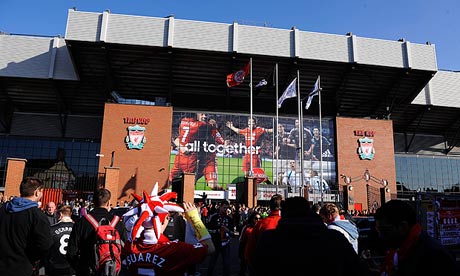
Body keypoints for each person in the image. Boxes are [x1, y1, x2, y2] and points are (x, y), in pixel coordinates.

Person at [254, 197, 370, 276]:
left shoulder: (269, 239)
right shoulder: (334, 237)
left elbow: (257, 268)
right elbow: (357, 269)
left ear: (283, 214)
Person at [122, 188, 215, 275]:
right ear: (164, 220)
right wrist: (195, 218)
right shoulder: (176, 249)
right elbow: (210, 248)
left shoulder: (129, 247)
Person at [374, 199, 458, 275]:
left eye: (385, 230)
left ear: (403, 227)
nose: (381, 236)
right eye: (378, 230)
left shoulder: (435, 256)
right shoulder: (404, 250)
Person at [67, 188, 127, 276]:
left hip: (87, 270)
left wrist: (80, 268)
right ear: (108, 202)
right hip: (112, 270)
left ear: (93, 202)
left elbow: (71, 252)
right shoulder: (118, 223)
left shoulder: (82, 222)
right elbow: (125, 249)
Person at [0, 177, 53, 276]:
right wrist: (33, 257)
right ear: (37, 192)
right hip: (23, 267)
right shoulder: (36, 215)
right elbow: (46, 244)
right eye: (42, 191)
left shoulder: (3, 209)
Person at [169, 112, 225, 190]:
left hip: (208, 160)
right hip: (194, 160)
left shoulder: (210, 128)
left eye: (206, 115)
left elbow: (222, 141)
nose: (204, 116)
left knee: (213, 186)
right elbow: (176, 138)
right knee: (186, 183)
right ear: (196, 114)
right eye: (202, 114)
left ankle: (226, 195)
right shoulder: (203, 125)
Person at [245, 194, 283, 274]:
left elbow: (250, 249)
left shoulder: (260, 224)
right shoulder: (286, 223)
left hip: (262, 266)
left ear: (270, 207)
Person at [206, 200, 236, 276]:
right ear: (220, 207)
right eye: (224, 208)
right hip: (215, 243)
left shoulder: (230, 218)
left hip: (226, 244)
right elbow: (207, 230)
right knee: (212, 263)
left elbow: (234, 234)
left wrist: (228, 230)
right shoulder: (213, 217)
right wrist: (217, 231)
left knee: (227, 264)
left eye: (227, 208)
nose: (226, 210)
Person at [45, 205, 76, 276]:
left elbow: (46, 248)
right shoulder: (77, 228)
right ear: (70, 214)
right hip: (72, 267)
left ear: (61, 214)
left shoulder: (52, 229)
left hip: (55, 266)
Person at [238, 211, 261, 276]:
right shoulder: (246, 227)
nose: (258, 220)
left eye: (259, 218)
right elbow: (241, 241)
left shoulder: (261, 228)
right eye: (256, 218)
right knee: (243, 270)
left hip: (256, 253)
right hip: (246, 252)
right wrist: (240, 253)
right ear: (252, 219)